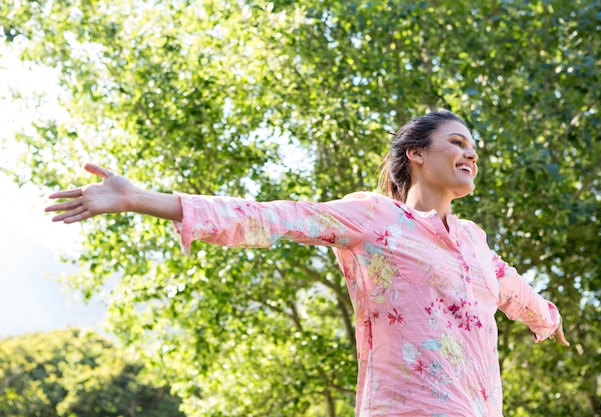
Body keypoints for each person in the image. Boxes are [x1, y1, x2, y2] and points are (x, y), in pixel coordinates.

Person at [46, 110, 569, 417]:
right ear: (415, 153)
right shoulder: (373, 219)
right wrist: (139, 198)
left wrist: (551, 320)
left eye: (474, 147)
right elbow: (268, 218)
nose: (470, 153)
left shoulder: (476, 243)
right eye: (457, 142)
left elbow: (521, 296)